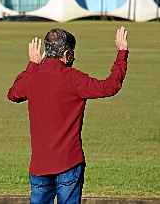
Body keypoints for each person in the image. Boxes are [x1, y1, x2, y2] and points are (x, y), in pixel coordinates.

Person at [7, 26, 129, 204]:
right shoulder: (74, 79)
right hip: (69, 162)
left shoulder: (33, 76)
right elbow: (110, 87)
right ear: (66, 54)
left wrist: (32, 65)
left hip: (40, 166)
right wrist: (122, 52)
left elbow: (13, 94)